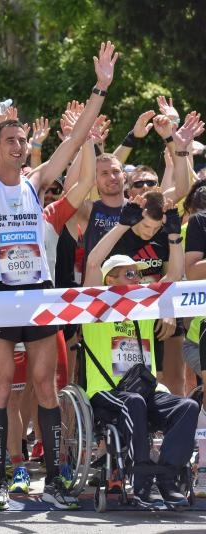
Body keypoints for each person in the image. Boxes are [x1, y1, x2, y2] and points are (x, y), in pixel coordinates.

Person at [0, 37, 118, 510]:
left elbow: (73, 143)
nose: (18, 144)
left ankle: (53, 476)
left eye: (22, 140)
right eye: (9, 140)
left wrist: (100, 88)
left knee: (45, 385)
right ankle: (0, 475)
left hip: (38, 293)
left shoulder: (36, 184)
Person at [84, 210, 196, 507]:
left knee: (188, 405)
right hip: (109, 392)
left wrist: (173, 236)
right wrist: (123, 225)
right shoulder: (96, 309)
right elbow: (93, 262)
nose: (137, 278)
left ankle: (167, 478)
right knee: (133, 401)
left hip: (146, 391)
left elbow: (173, 276)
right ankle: (140, 479)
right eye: (129, 274)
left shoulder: (144, 307)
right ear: (109, 281)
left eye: (138, 273)